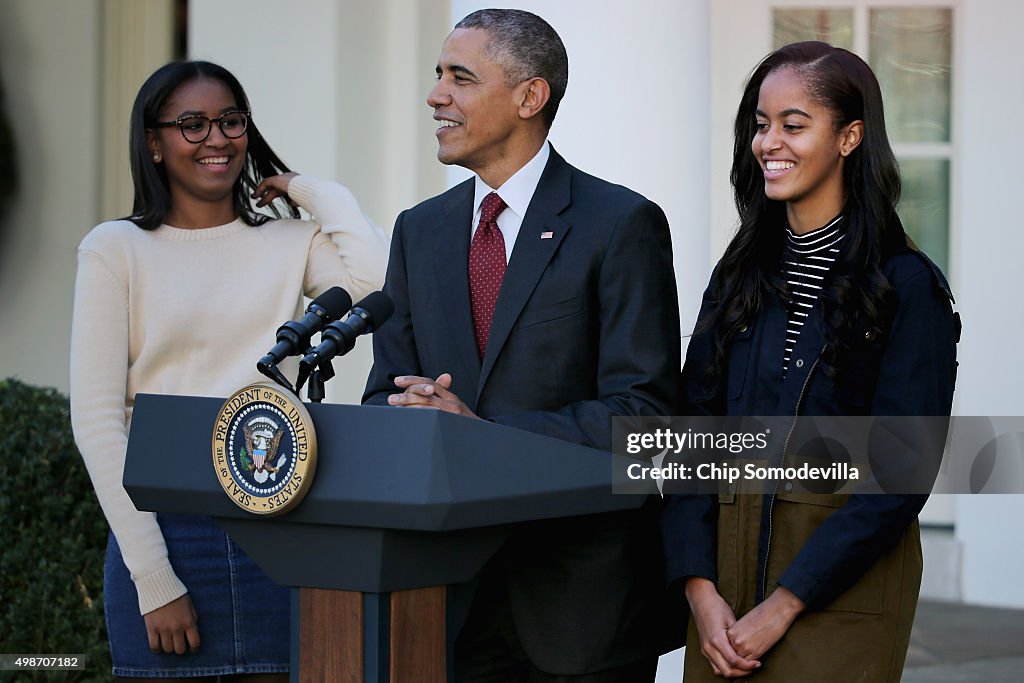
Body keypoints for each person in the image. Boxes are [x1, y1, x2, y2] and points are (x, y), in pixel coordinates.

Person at [362, 9, 682, 682]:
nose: (435, 95)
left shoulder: (620, 224)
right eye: (436, 75)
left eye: (460, 77)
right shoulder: (417, 232)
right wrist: (407, 413)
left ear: (529, 97)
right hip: (447, 604)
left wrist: (485, 435)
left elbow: (645, 419)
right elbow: (384, 396)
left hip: (579, 610)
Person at [70, 60, 388, 681]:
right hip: (166, 531)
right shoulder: (115, 249)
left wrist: (307, 188)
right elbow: (99, 420)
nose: (216, 139)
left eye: (230, 121)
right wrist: (155, 577)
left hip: (284, 525)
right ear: (154, 144)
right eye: (191, 124)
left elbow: (376, 280)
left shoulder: (289, 241)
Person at [661, 41, 958, 682]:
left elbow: (902, 471)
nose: (769, 142)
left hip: (839, 596)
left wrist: (787, 602)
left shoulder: (907, 286)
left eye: (793, 125)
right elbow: (689, 433)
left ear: (850, 138)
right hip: (724, 596)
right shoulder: (740, 275)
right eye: (761, 126)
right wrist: (698, 587)